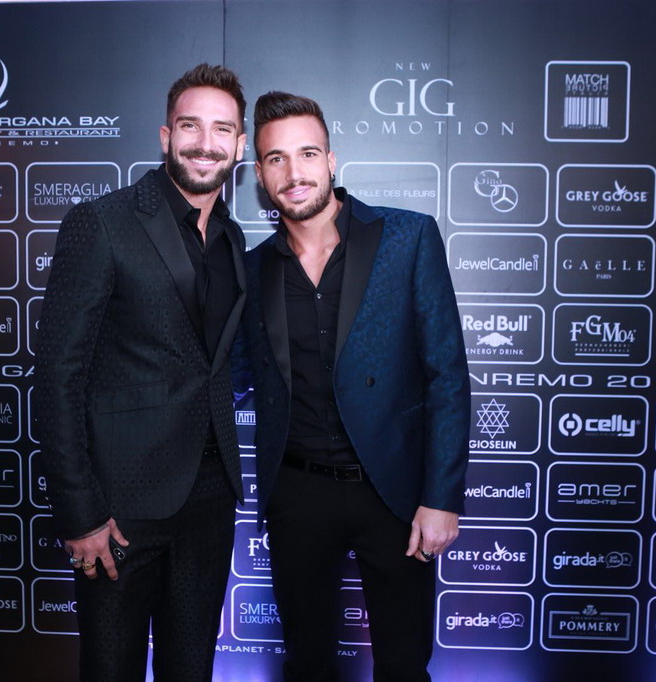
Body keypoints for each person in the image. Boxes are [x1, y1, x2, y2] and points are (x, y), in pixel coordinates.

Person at [235, 91, 470, 681]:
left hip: (391, 492)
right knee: (307, 663)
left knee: (403, 664)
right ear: (260, 174)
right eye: (276, 159)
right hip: (297, 494)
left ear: (331, 160)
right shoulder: (253, 269)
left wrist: (441, 497)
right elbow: (230, 373)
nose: (294, 173)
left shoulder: (408, 237)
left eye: (307, 154)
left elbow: (446, 375)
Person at [34, 63, 247, 682]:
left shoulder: (233, 238)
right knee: (111, 669)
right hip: (120, 509)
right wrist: (80, 513)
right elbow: (57, 376)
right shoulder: (103, 222)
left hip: (210, 501)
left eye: (222, 130)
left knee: (192, 669)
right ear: (165, 135)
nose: (205, 143)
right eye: (190, 125)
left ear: (239, 146)